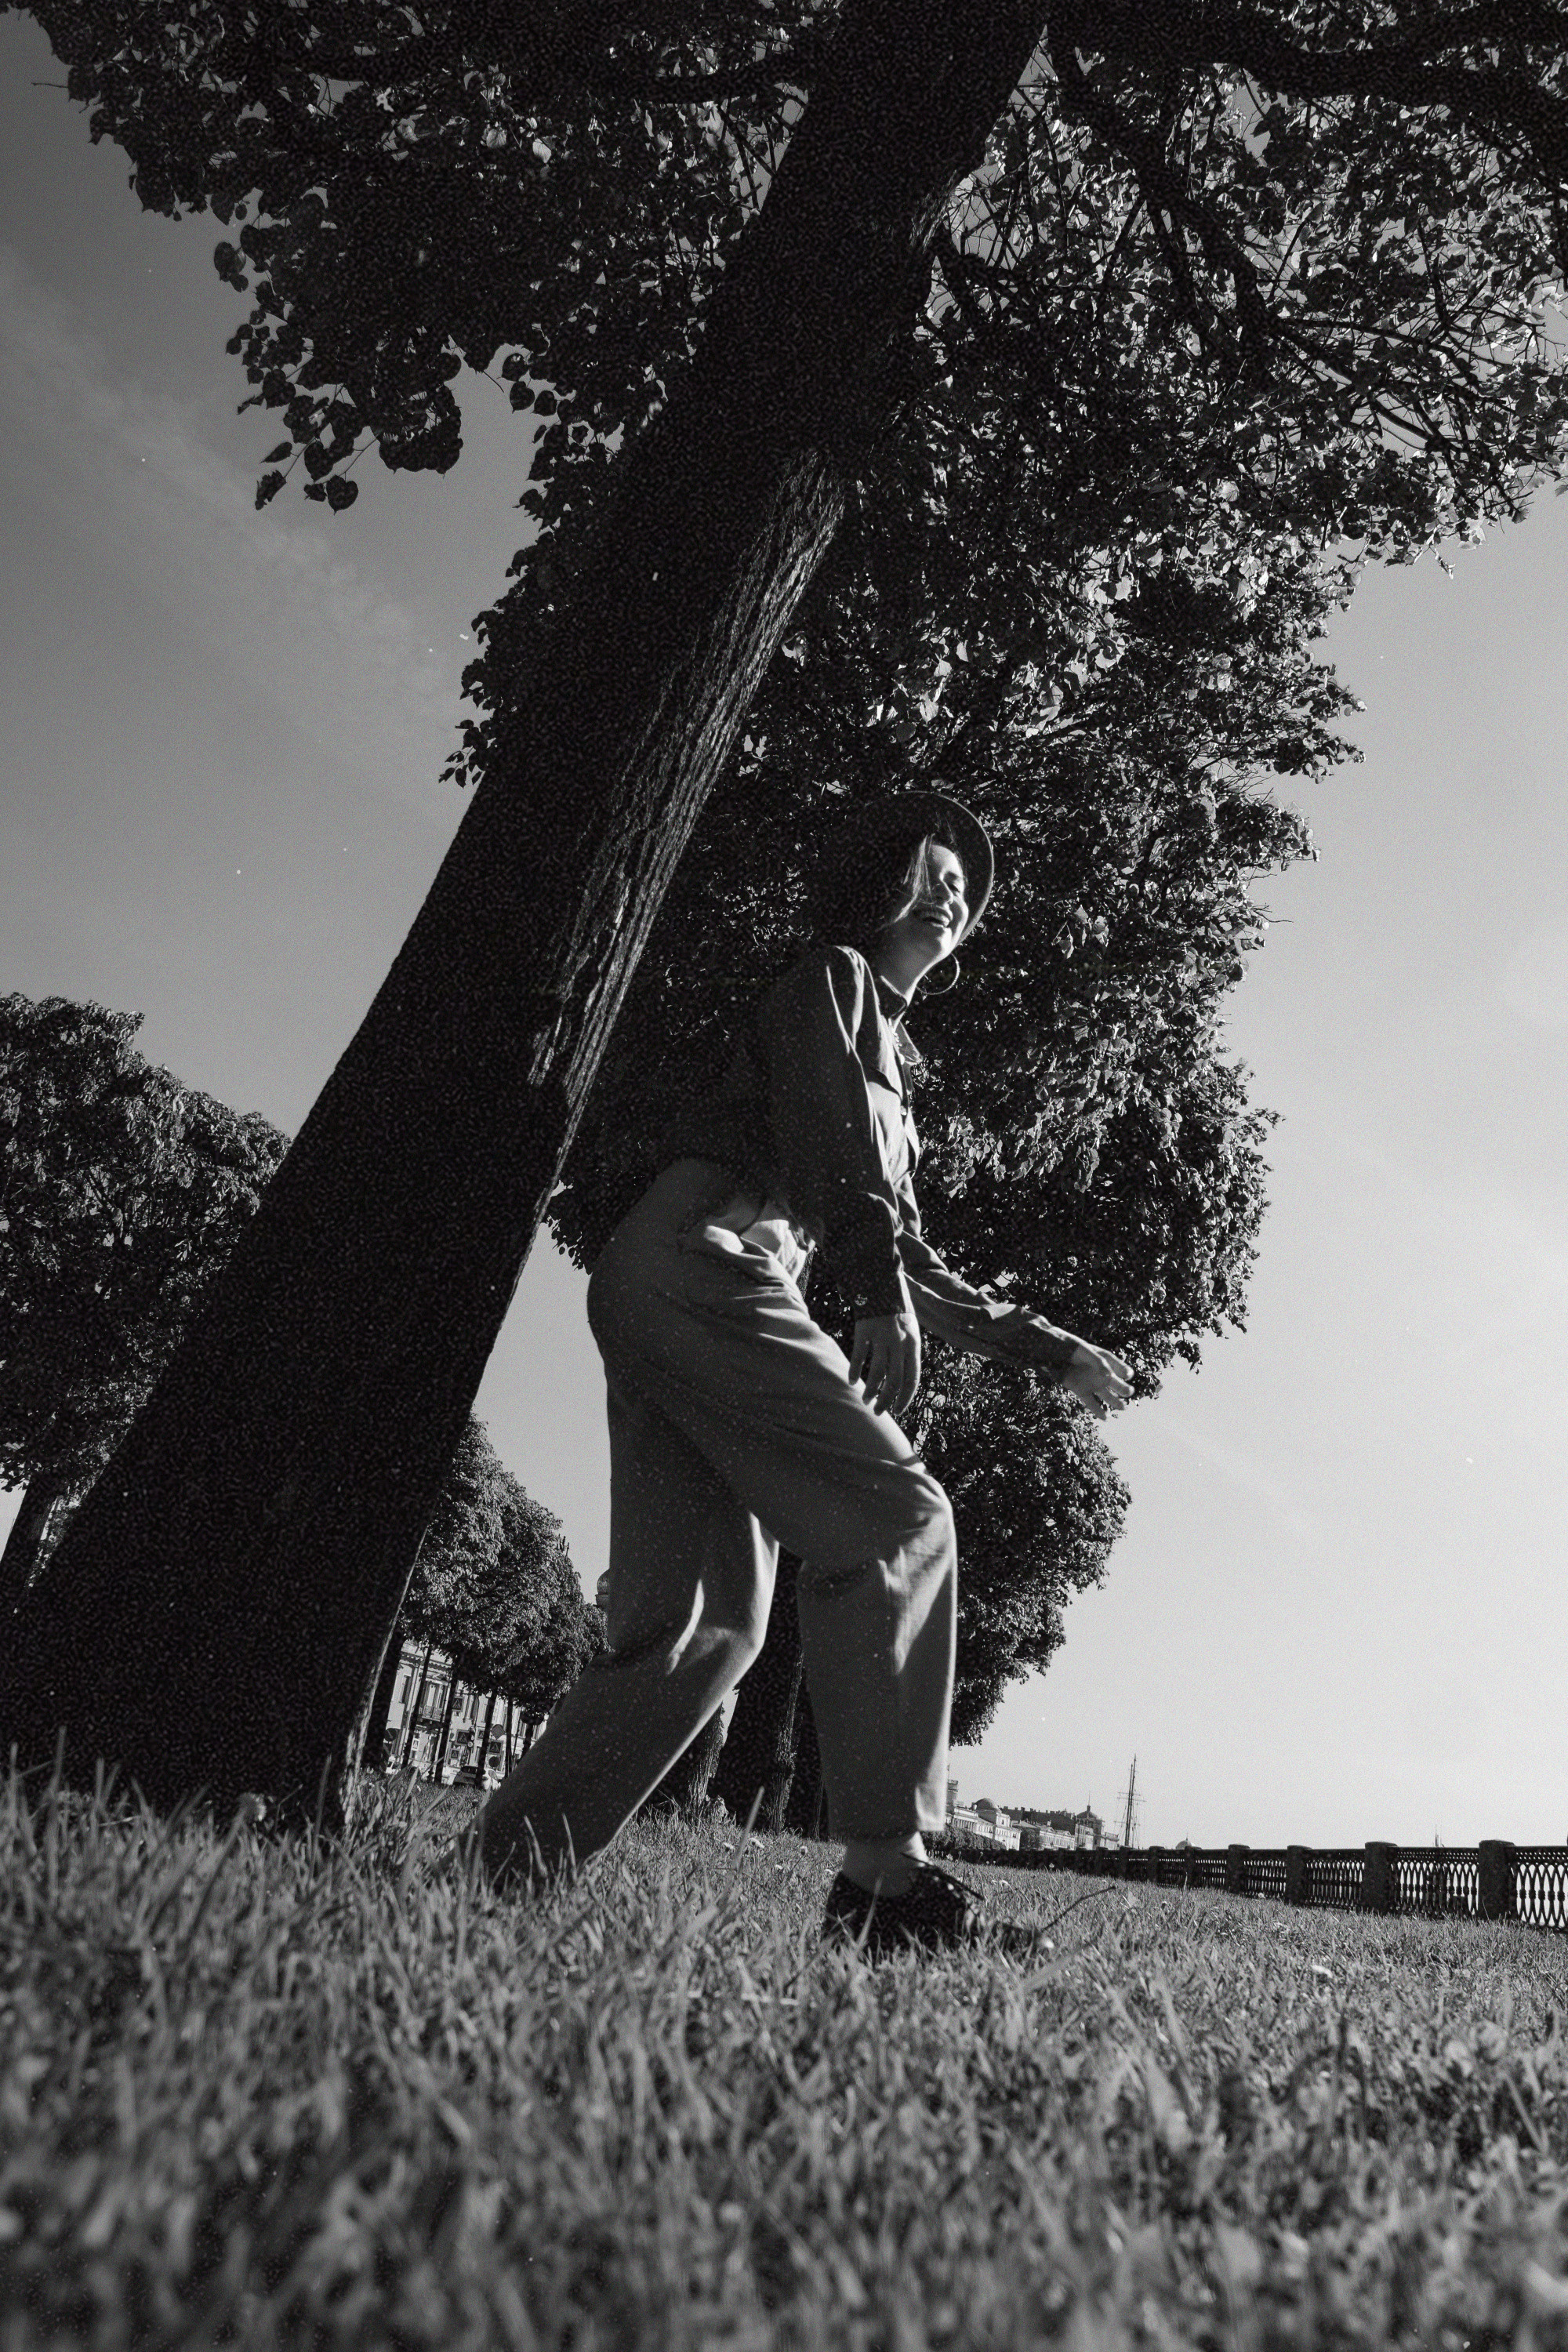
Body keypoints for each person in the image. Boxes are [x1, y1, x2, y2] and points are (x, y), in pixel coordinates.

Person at [474, 791, 1131, 1955]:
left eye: (967, 886)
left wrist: (1045, 1347)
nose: (953, 890)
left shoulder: (900, 1071)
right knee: (896, 1517)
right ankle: (884, 1885)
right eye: (933, 868)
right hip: (703, 1261)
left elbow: (904, 1243)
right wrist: (872, 1291)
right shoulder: (829, 980)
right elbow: (829, 1131)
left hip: (687, 1279)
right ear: (882, 885)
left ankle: (491, 1883)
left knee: (707, 1626)